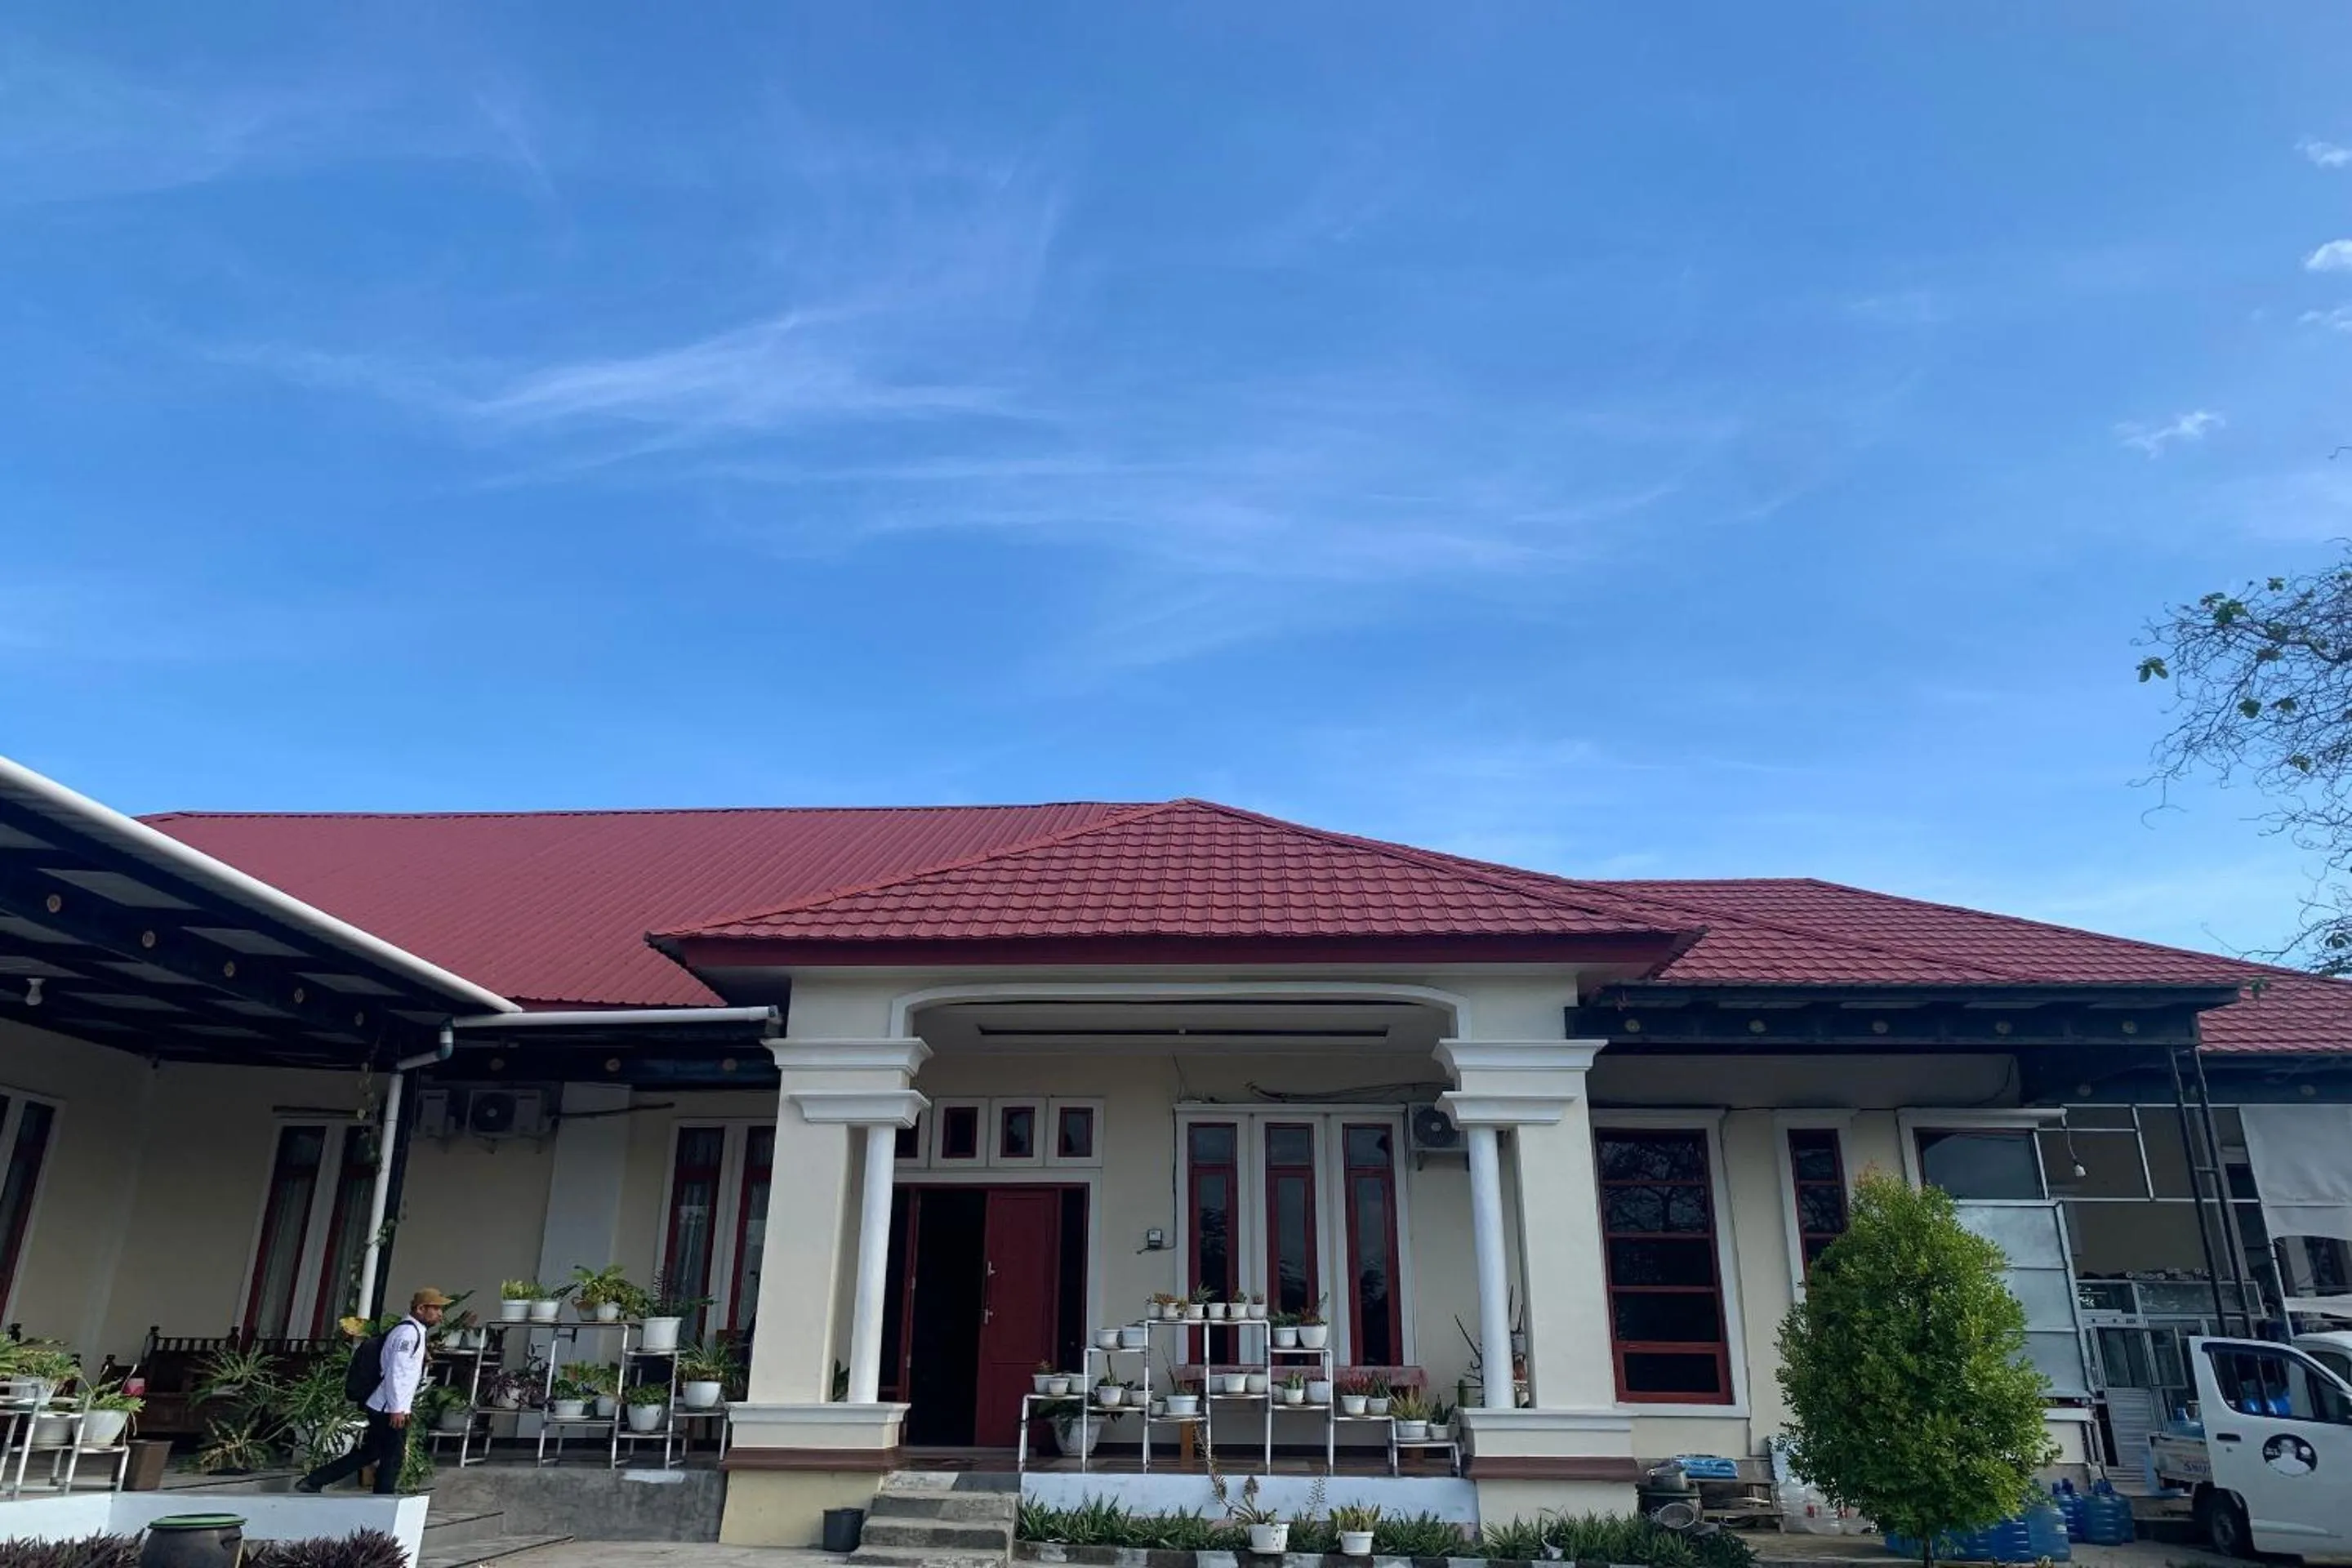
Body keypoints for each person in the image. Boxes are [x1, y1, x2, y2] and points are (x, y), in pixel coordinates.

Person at [296, 1287, 450, 1494]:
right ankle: (382, 1497)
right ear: (421, 1309)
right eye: (436, 1309)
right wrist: (398, 1409)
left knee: (372, 1451)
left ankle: (315, 1480)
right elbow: (397, 1373)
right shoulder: (407, 1334)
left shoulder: (411, 1332)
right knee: (392, 1455)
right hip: (388, 1407)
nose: (440, 1314)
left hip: (385, 1404)